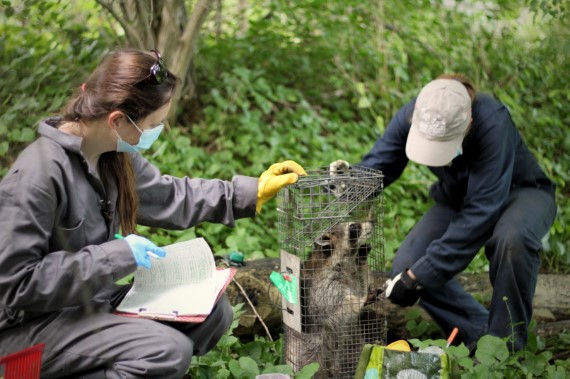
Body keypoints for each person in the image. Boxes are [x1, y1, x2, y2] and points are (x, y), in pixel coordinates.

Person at [0, 49, 306, 378]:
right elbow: (15, 286)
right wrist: (112, 256)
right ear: (117, 120)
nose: (157, 132)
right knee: (165, 350)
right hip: (27, 332)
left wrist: (249, 192)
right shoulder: (37, 175)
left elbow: (169, 194)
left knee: (213, 313)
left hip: (86, 305)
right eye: (154, 125)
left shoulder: (111, 155)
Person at [332, 74, 556, 351]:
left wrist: (418, 277)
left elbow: (482, 211)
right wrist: (348, 183)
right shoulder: (416, 113)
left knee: (512, 240)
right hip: (461, 199)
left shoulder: (493, 122)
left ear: (468, 123)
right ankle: (480, 335)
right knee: (407, 264)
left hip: (521, 193)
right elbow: (380, 167)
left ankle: (507, 348)